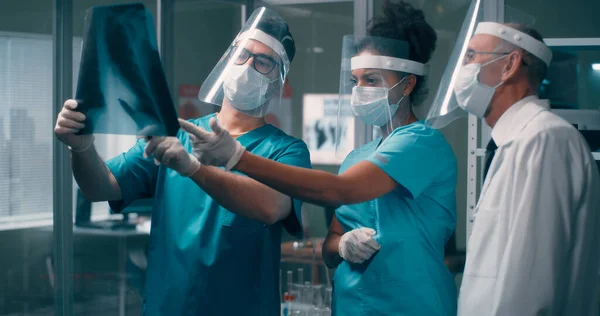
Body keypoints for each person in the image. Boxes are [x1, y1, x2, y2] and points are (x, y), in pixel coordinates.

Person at [178, 2, 458, 315]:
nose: (360, 90)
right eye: (355, 81)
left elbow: (339, 190)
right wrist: (342, 245)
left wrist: (236, 157)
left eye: (372, 80)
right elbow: (329, 246)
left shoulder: (422, 143)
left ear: (407, 84)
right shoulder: (358, 157)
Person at [54, 7, 311, 316]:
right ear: (228, 60)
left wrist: (193, 168)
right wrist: (81, 150)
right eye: (242, 54)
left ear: (278, 79)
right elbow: (101, 186)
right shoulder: (176, 136)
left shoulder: (287, 151)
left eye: (264, 61)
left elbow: (272, 207)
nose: (248, 66)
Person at [426, 11, 600, 315]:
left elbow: (533, 280)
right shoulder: (513, 141)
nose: (462, 70)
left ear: (510, 64)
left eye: (471, 56)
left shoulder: (544, 140)